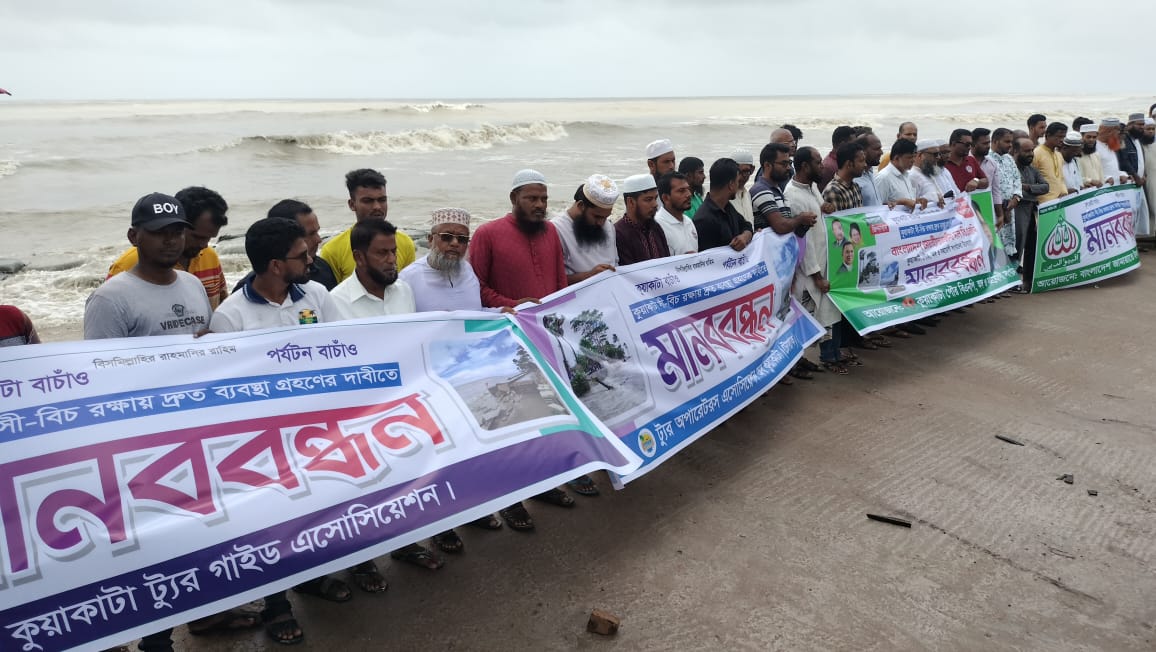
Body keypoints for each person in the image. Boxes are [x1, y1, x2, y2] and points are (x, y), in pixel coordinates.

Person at [85, 194, 259, 651]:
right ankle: (156, 638)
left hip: (196, 434)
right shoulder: (110, 297)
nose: (171, 240)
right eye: (160, 232)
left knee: (201, 531)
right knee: (153, 543)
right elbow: (99, 378)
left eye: (177, 231)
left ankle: (204, 613)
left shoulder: (192, 285)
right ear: (134, 236)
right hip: (142, 443)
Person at [398, 207, 522, 523]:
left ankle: (493, 503)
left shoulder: (467, 272)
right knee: (442, 455)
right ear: (430, 240)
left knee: (481, 442)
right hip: (430, 382)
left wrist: (501, 313)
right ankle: (446, 521)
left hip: (470, 372)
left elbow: (473, 316)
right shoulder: (408, 279)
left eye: (462, 239)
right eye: (447, 237)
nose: (455, 244)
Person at [469, 169, 576, 529]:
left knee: (549, 414)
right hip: (508, 344)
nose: (540, 205)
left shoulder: (550, 232)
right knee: (514, 425)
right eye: (532, 198)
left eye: (543, 198)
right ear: (514, 198)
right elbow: (476, 288)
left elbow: (559, 281)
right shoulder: (487, 234)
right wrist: (514, 305)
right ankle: (510, 500)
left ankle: (546, 482)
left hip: (546, 338)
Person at [106, 186, 229, 309]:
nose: (204, 245)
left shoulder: (210, 257)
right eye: (197, 237)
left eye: (209, 238)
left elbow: (223, 308)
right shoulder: (127, 266)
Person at [784, 146, 844, 374]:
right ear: (804, 166)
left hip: (822, 261)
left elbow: (819, 210)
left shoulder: (811, 187)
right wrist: (817, 276)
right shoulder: (793, 196)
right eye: (818, 163)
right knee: (801, 318)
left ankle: (803, 360)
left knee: (819, 316)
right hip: (806, 270)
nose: (822, 166)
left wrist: (824, 207)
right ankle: (793, 365)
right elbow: (804, 242)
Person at [319, 168, 416, 284]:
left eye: (382, 200)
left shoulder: (405, 243)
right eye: (368, 201)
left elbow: (408, 286)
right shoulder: (332, 250)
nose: (377, 207)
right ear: (352, 204)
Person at [233, 199, 339, 292]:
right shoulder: (247, 290)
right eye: (310, 234)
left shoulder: (323, 268)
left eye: (317, 231)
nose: (319, 240)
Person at [329, 220, 417, 319]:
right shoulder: (336, 303)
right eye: (382, 253)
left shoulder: (404, 291)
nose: (392, 259)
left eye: (394, 251)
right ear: (359, 257)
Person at [551, 174, 620, 284]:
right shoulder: (556, 229)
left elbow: (615, 263)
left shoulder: (608, 226)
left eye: (605, 217)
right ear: (580, 206)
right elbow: (551, 281)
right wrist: (589, 276)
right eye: (597, 216)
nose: (601, 223)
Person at [692, 158, 754, 252]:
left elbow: (747, 225)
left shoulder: (727, 207)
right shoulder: (704, 220)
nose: (738, 185)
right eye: (737, 181)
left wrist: (745, 237)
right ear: (731, 185)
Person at [1014, 137, 1051, 290]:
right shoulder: (1011, 169)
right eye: (1026, 151)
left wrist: (1028, 188)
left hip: (1031, 212)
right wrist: (1032, 192)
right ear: (1016, 151)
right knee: (1016, 246)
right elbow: (1012, 190)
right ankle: (1012, 282)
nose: (1030, 154)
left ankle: (1027, 282)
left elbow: (1046, 187)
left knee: (1032, 246)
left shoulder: (1032, 170)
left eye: (1031, 151)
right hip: (1016, 211)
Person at [751, 142, 807, 234]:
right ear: (767, 165)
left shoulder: (776, 189)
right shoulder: (761, 190)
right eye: (784, 164)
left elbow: (788, 223)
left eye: (789, 163)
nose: (789, 168)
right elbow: (781, 226)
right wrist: (801, 218)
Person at [615, 174, 669, 265]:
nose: (655, 204)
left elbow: (667, 261)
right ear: (631, 202)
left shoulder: (656, 228)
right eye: (648, 199)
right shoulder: (618, 233)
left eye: (655, 198)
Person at [990, 128, 1023, 258]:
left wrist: (1016, 197)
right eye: (1007, 141)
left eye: (1011, 142)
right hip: (995, 209)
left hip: (1010, 207)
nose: (1010, 145)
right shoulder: (987, 159)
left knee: (1009, 246)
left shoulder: (1009, 159)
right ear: (995, 141)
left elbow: (1017, 179)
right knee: (996, 244)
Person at [655, 171, 699, 255]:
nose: (689, 194)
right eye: (681, 191)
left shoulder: (688, 222)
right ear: (665, 198)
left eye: (688, 189)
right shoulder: (657, 226)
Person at [874, 138, 924, 211]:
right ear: (896, 158)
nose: (913, 160)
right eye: (909, 157)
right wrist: (901, 202)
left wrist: (917, 201)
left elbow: (907, 200)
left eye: (914, 156)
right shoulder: (883, 178)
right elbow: (876, 208)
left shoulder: (906, 175)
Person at [944, 129, 989, 193]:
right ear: (954, 144)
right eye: (967, 144)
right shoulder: (942, 163)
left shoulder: (971, 160)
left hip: (969, 198)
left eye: (971, 144)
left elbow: (986, 181)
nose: (970, 147)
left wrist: (976, 181)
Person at [1033, 123, 1069, 201]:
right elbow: (1032, 180)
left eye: (1063, 137)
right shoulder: (1037, 153)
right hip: (1043, 202)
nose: (1062, 140)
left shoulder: (1059, 155)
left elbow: (1061, 178)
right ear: (1048, 135)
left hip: (1060, 200)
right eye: (1059, 137)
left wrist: (1064, 192)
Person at [909, 139, 948, 208]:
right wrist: (932, 198)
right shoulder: (912, 176)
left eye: (939, 154)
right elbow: (911, 204)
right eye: (935, 154)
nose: (938, 157)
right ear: (920, 155)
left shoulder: (928, 172)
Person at [853, 133, 885, 207]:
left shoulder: (870, 172)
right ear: (863, 151)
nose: (881, 152)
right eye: (877, 149)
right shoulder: (854, 180)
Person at [1097, 118, 1129, 185]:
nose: (1118, 133)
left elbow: (1111, 168)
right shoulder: (1096, 147)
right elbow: (1092, 172)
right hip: (1102, 188)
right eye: (1117, 130)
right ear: (1108, 131)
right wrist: (1105, 178)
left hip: (1115, 188)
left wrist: (1122, 174)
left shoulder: (1110, 146)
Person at [729, 151, 757, 223]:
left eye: (746, 171)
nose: (742, 176)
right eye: (738, 172)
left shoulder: (747, 195)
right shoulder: (726, 197)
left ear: (752, 170)